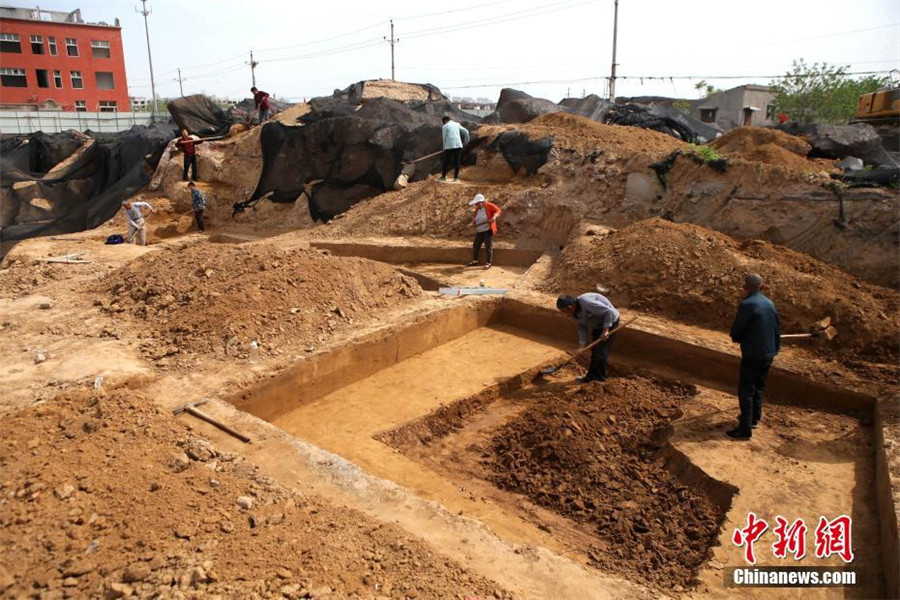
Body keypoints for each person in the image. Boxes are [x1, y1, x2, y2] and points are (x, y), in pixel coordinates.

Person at [727, 273, 781, 440]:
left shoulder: (747, 305)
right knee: (759, 386)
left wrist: (738, 337)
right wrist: (774, 349)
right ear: (762, 286)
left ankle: (745, 429)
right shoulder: (769, 303)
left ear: (745, 287)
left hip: (753, 354)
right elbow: (776, 329)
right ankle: (754, 419)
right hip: (768, 353)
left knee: (746, 390)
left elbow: (736, 332)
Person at [556, 293, 620, 383]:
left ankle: (599, 380)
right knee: (595, 352)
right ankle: (592, 377)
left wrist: (606, 330)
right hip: (598, 325)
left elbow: (609, 312)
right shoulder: (575, 313)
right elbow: (582, 328)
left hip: (610, 323)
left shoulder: (586, 302)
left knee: (600, 353)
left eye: (565, 312)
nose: (566, 315)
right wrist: (581, 346)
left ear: (570, 307)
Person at [467, 194, 501, 269]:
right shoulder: (477, 209)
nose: (476, 205)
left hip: (487, 230)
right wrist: (473, 223)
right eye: (476, 204)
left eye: (477, 203)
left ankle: (488, 263)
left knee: (488, 246)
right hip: (479, 230)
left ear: (481, 202)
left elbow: (498, 210)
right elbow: (475, 218)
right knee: (476, 245)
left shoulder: (489, 205)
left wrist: (494, 217)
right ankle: (475, 261)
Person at [441, 116, 469, 182]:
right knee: (457, 162)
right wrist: (465, 142)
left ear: (445, 121)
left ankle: (443, 177)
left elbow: (444, 137)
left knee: (446, 161)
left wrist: (444, 147)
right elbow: (466, 132)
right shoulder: (457, 124)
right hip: (458, 145)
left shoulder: (445, 126)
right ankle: (456, 178)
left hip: (449, 146)